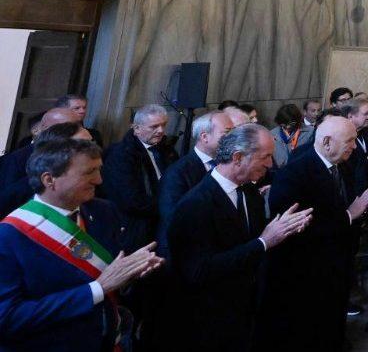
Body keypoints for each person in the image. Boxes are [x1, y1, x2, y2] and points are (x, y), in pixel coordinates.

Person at [0, 138, 163, 351]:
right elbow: (8, 318)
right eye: (88, 172)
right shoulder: (10, 235)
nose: (99, 180)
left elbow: (111, 275)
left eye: (99, 170)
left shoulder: (104, 211)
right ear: (49, 179)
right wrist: (97, 289)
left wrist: (130, 274)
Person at [162, 124, 312, 350]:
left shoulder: (249, 192)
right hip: (210, 322)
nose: (271, 164)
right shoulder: (195, 205)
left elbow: (252, 239)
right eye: (266, 157)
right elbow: (198, 272)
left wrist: (284, 229)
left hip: (244, 313)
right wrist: (264, 242)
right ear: (238, 157)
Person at [255, 116, 368, 348]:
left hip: (336, 268)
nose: (355, 146)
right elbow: (296, 228)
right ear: (326, 142)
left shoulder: (343, 164)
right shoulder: (295, 173)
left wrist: (361, 206)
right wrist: (349, 214)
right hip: (308, 277)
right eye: (350, 141)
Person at [157, 109, 234, 253]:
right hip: (182, 252)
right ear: (205, 137)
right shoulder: (177, 172)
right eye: (227, 133)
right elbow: (173, 218)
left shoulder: (225, 166)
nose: (233, 138)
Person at [101, 103, 173, 252]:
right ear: (136, 128)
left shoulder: (166, 149)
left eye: (163, 125)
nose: (161, 131)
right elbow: (130, 199)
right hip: (134, 227)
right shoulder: (121, 155)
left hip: (159, 222)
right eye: (154, 127)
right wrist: (168, 207)